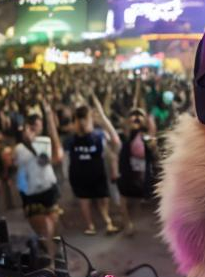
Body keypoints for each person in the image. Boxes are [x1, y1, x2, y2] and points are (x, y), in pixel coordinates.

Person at [14, 102, 63, 265]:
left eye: (39, 125)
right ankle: (52, 262)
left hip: (49, 190)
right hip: (31, 195)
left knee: (51, 227)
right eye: (33, 126)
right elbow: (13, 163)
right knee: (45, 227)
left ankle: (49, 252)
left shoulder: (44, 142)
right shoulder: (18, 149)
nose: (36, 128)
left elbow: (48, 159)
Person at [64, 97, 120, 235]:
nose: (83, 122)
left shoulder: (99, 135)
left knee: (99, 198)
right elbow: (65, 159)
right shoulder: (71, 139)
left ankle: (103, 222)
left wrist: (103, 118)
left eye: (85, 118)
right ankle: (93, 224)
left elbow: (115, 142)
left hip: (95, 173)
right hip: (81, 174)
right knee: (87, 200)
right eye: (80, 119)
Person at [116, 107, 157, 236]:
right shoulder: (127, 134)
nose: (136, 118)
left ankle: (129, 223)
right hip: (127, 174)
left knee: (135, 202)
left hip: (141, 176)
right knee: (123, 201)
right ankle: (127, 224)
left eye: (140, 116)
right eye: (134, 115)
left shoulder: (147, 137)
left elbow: (154, 152)